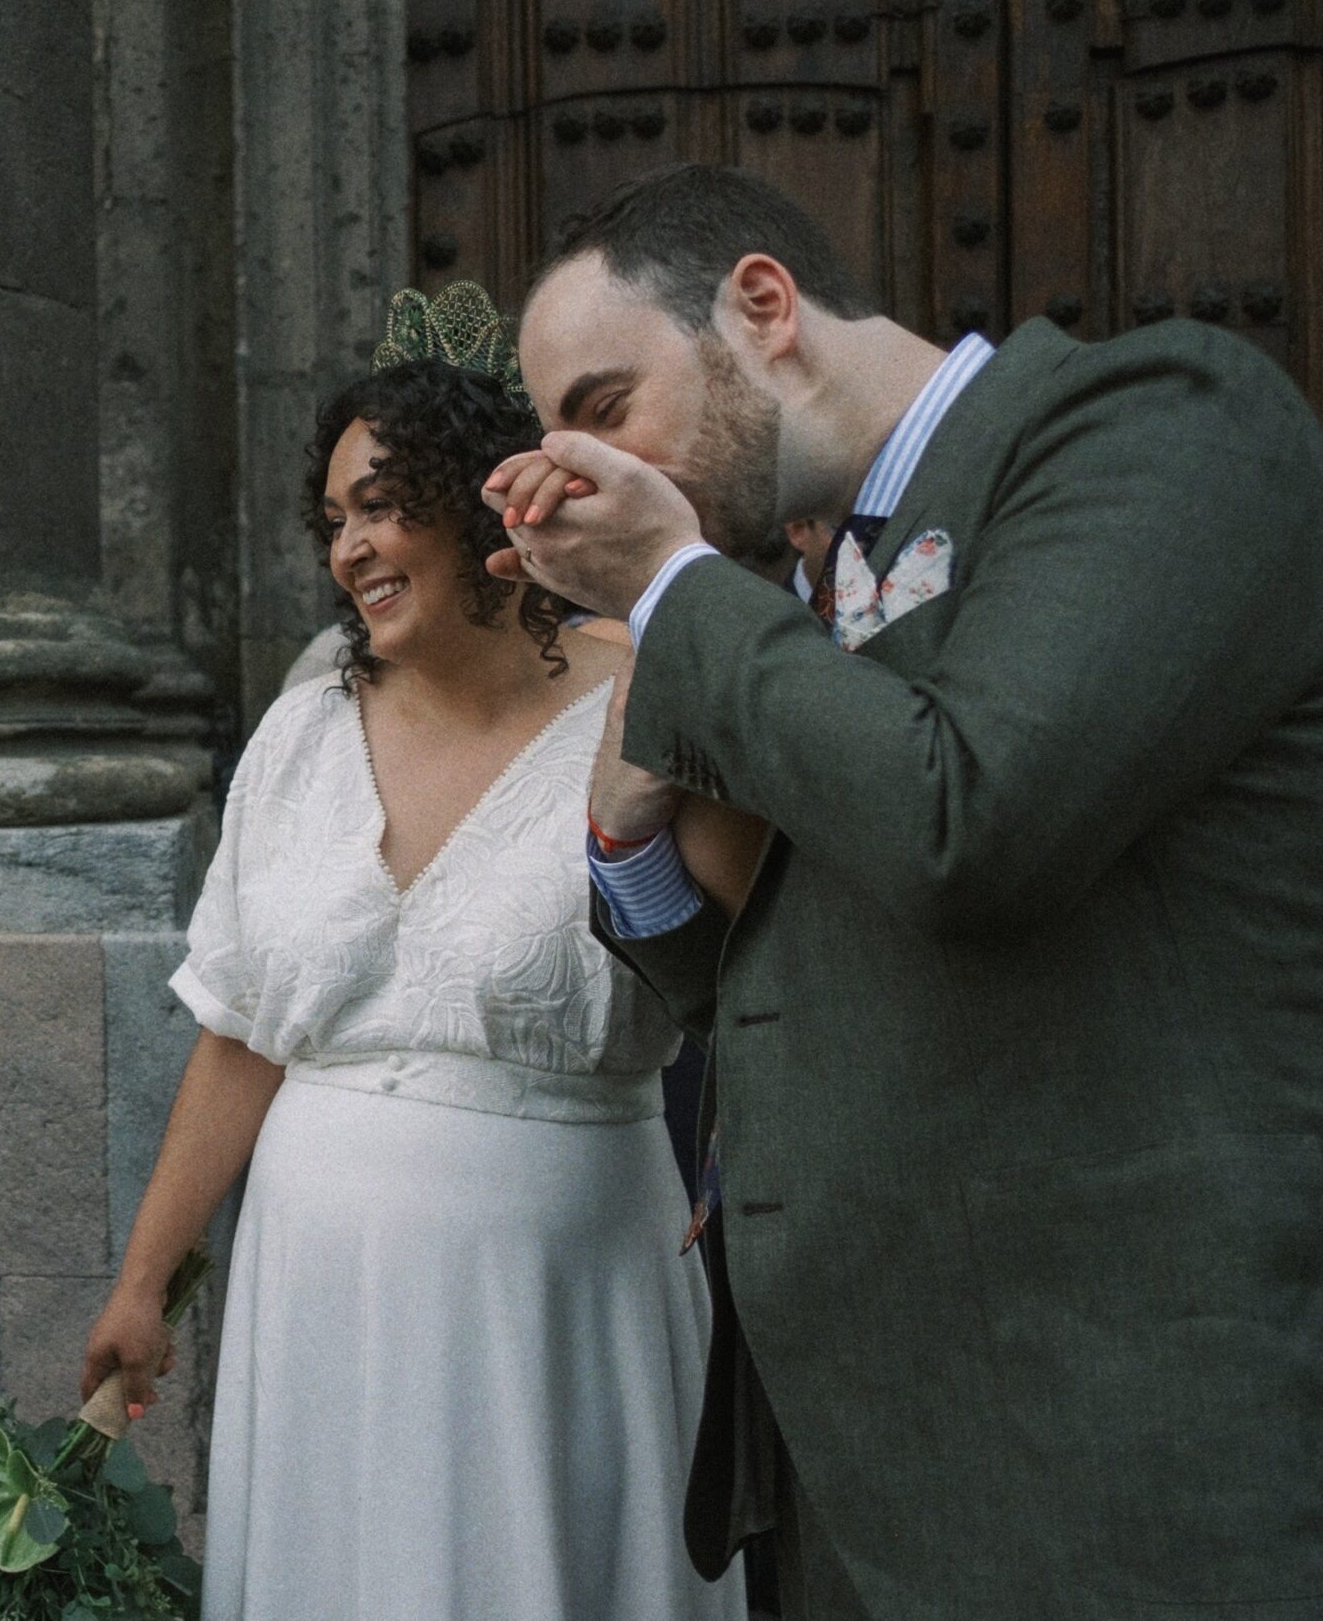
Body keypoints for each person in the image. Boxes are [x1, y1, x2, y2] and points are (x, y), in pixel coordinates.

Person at [484, 162, 1323, 1619]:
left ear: (762, 306)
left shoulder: (1158, 424)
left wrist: (675, 589)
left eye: (606, 410)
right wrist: (627, 836)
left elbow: (971, 823)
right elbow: (775, 984)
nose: (583, 473)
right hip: (847, 1472)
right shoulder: (797, 575)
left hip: (1099, 1448)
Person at [83, 284, 749, 1620]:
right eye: (333, 519)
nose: (351, 546)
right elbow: (242, 1032)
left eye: (381, 502)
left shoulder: (658, 686)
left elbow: (761, 977)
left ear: (480, 497)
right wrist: (144, 1280)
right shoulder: (302, 733)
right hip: (317, 1293)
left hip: (557, 1299)